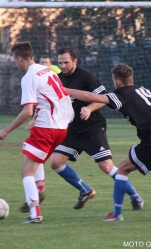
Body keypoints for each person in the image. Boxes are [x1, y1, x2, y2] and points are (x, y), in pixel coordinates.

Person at [65, 63, 151, 221]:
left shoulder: (121, 95)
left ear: (117, 81)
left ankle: (116, 214)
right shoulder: (143, 90)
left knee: (122, 169)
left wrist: (63, 90)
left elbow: (90, 97)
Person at [49, 47, 143, 210]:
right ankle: (85, 190)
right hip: (73, 129)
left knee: (106, 166)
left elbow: (104, 99)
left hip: (93, 128)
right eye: (60, 63)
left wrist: (89, 108)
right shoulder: (57, 79)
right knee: (56, 162)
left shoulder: (86, 76)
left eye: (66, 62)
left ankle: (136, 197)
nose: (63, 66)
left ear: (74, 61)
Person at [0, 41, 74, 224]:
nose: (16, 64)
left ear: (20, 59)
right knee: (32, 155)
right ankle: (39, 189)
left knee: (27, 172)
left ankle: (35, 213)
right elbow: (50, 100)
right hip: (61, 128)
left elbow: (27, 111)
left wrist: (6, 130)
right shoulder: (47, 71)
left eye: (15, 60)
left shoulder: (29, 77)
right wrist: (36, 120)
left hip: (47, 128)